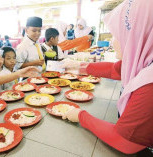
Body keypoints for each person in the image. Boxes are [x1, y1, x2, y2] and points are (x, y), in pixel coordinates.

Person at [62, 0, 153, 155]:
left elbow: (125, 141)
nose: (112, 41)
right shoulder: (145, 61)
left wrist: (80, 115)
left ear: (137, 35)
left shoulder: (149, 86)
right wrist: (78, 66)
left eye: (116, 35)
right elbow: (114, 70)